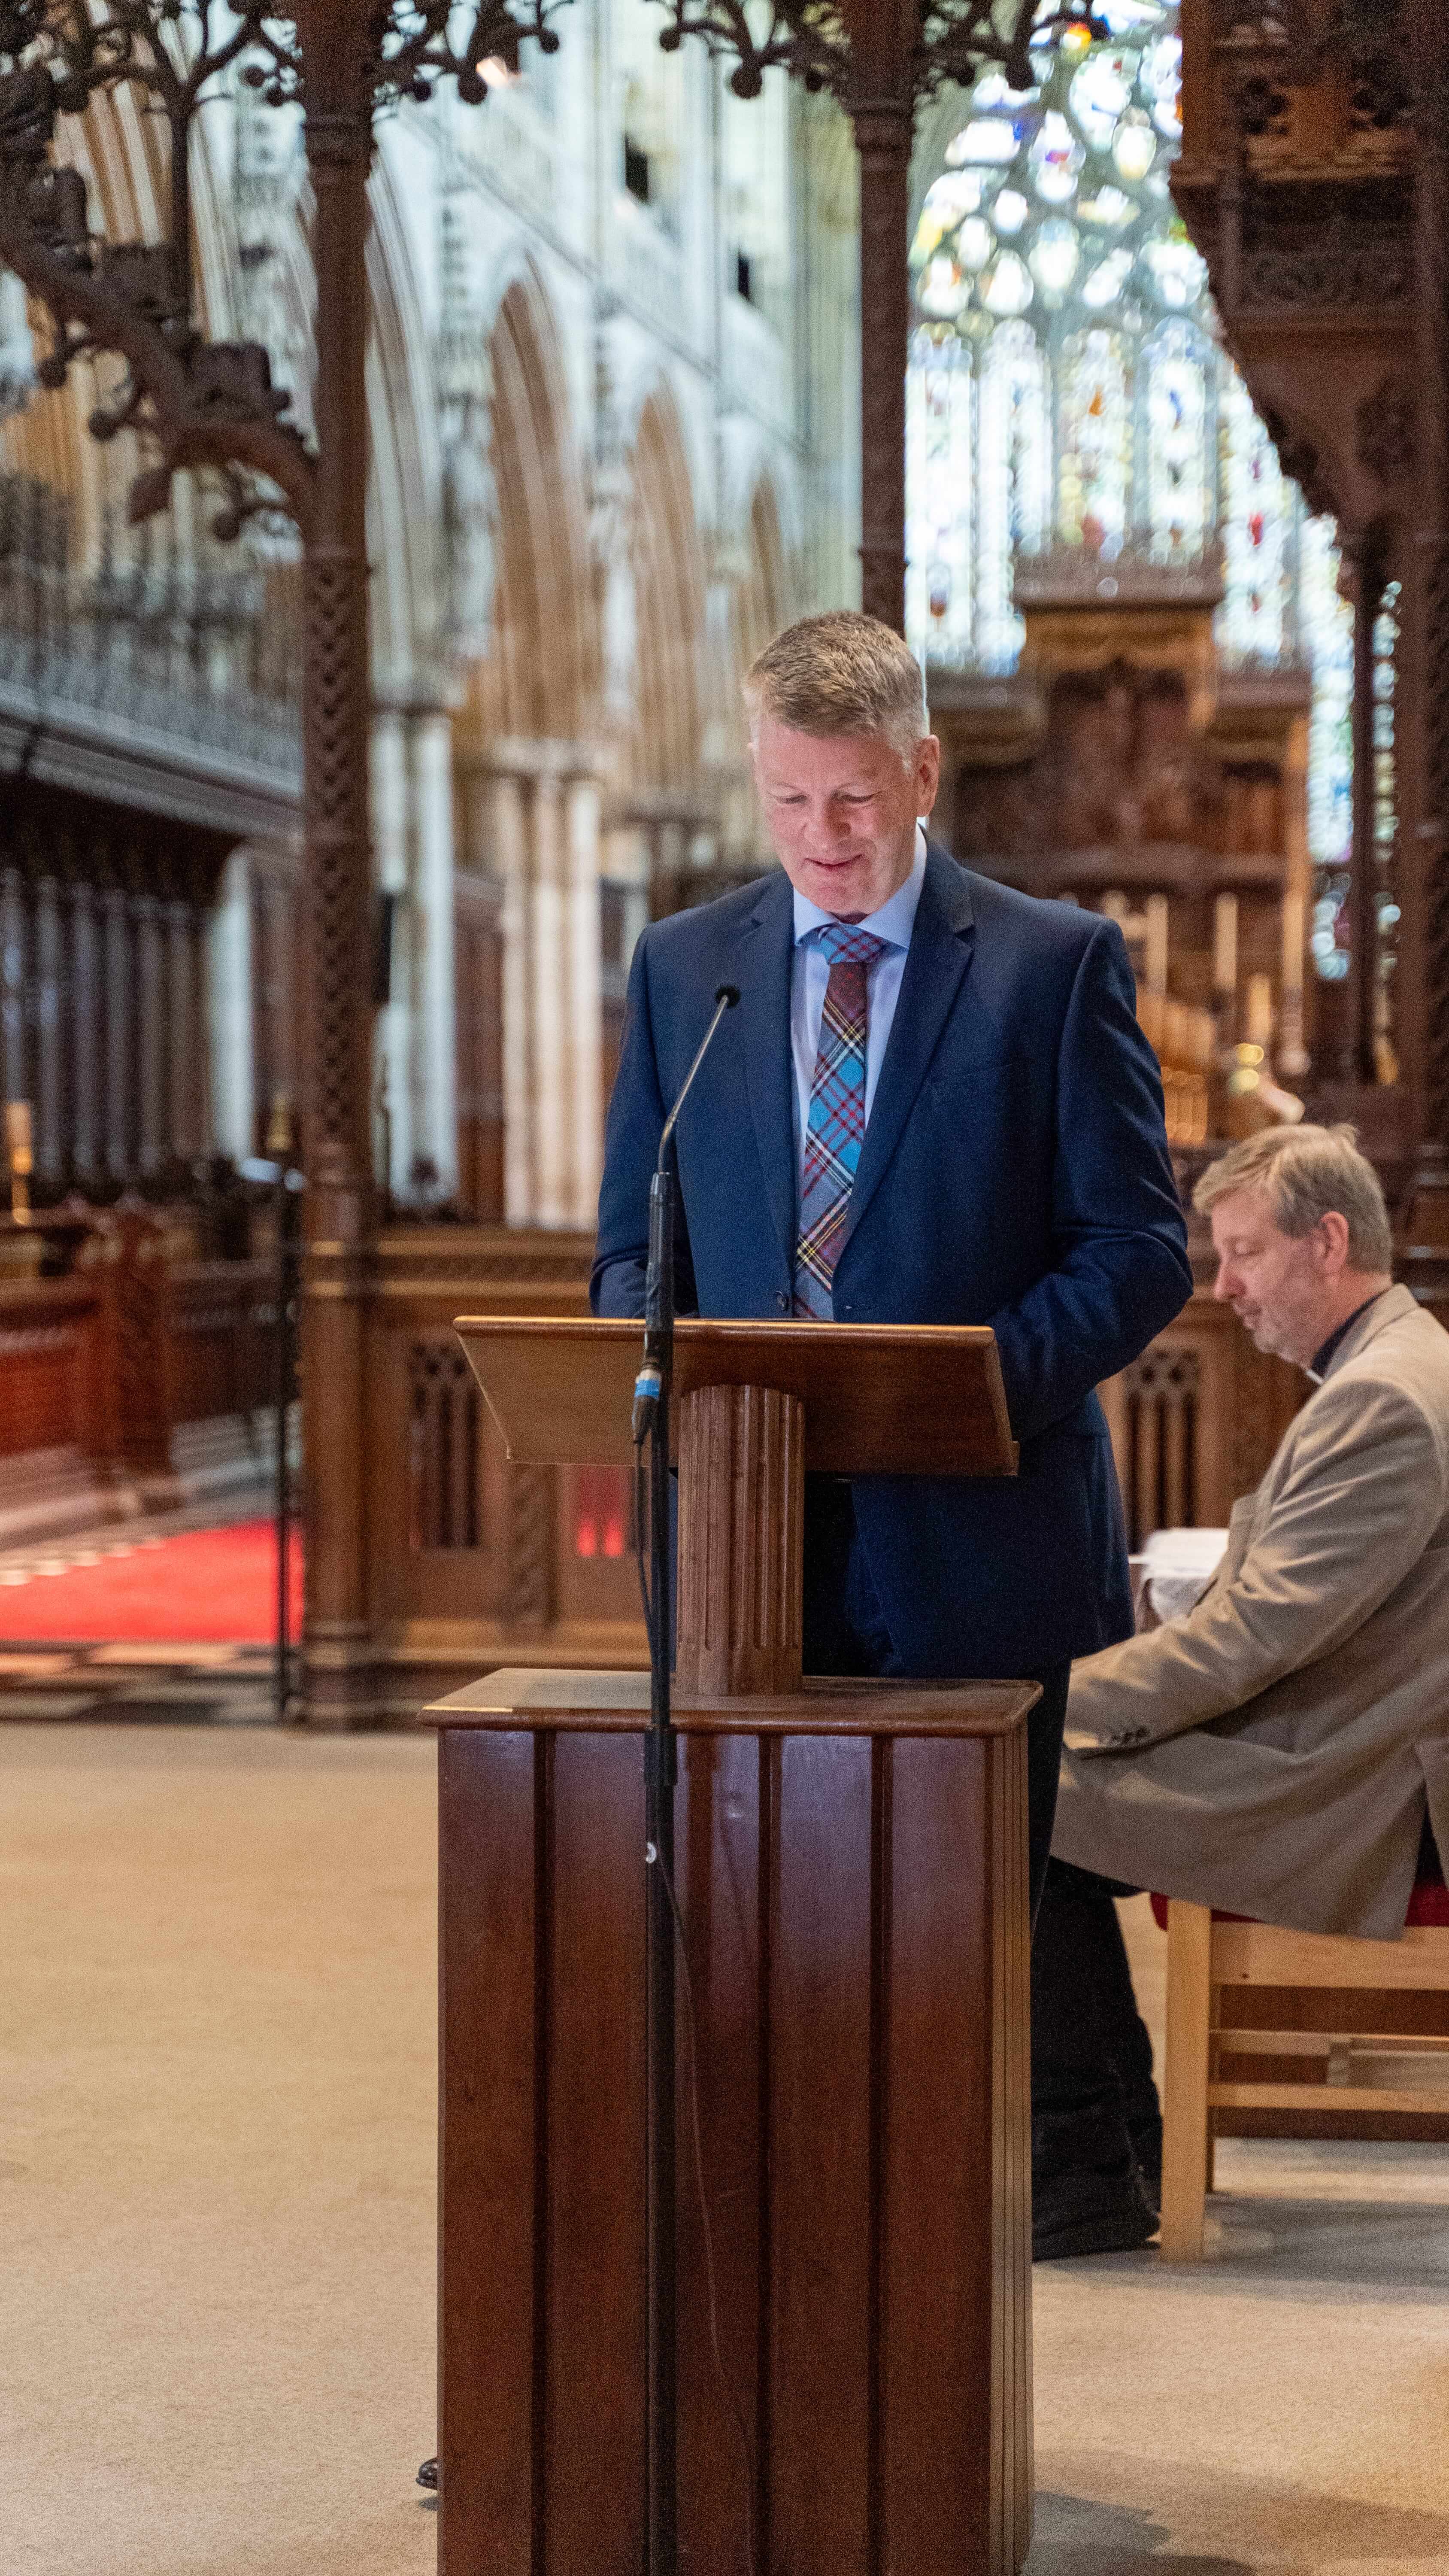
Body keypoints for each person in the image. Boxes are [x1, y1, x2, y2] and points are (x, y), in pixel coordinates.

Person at [591, 610, 1192, 1914]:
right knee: (772, 1924)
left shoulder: (1052, 966)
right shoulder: (688, 971)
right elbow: (637, 1249)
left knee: (1026, 1959)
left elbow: (1139, 1252)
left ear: (922, 773)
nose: (824, 835)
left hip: (988, 1531)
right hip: (748, 1537)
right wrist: (660, 1364)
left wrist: (965, 1386)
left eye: (856, 796)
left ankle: (1088, 2138)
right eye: (790, 799)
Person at [1033, 1122, 1449, 2259]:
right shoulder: (1391, 1364)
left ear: (1327, 1241)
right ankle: (1112, 2140)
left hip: (1353, 1790)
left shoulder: (1384, 1401)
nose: (1223, 1289)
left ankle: (1085, 2170)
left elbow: (1255, 1639)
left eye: (1243, 1254)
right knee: (1036, 1783)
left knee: (1023, 1794)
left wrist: (1048, 1701)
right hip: (1345, 1741)